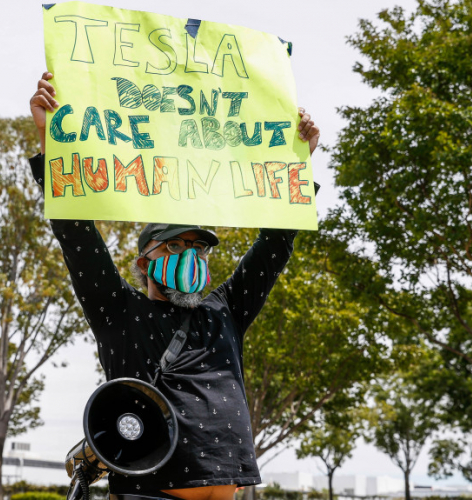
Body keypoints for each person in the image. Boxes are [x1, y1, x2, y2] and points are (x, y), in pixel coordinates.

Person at [29, 72, 319, 500]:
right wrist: (48, 135)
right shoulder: (120, 312)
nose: (192, 256)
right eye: (177, 246)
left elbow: (276, 243)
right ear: (145, 260)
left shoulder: (225, 311)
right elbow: (76, 233)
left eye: (199, 249)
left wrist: (299, 159)